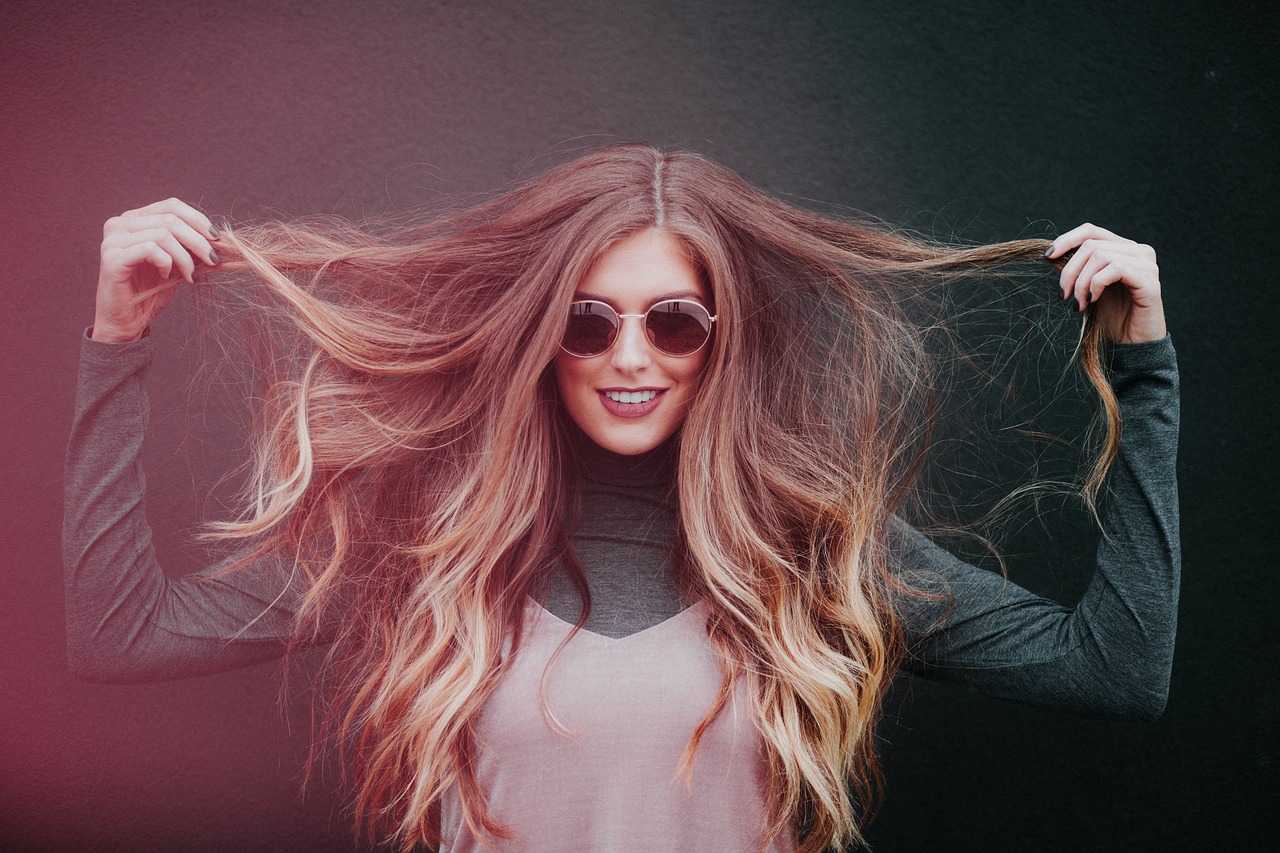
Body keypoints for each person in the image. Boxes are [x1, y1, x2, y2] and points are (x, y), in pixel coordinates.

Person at [64, 144, 1179, 853]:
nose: (628, 355)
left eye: (673, 321)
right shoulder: (429, 543)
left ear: (716, 339)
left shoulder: (812, 554)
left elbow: (1113, 666)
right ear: (542, 338)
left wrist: (1144, 367)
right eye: (587, 320)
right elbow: (120, 636)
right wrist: (120, 342)